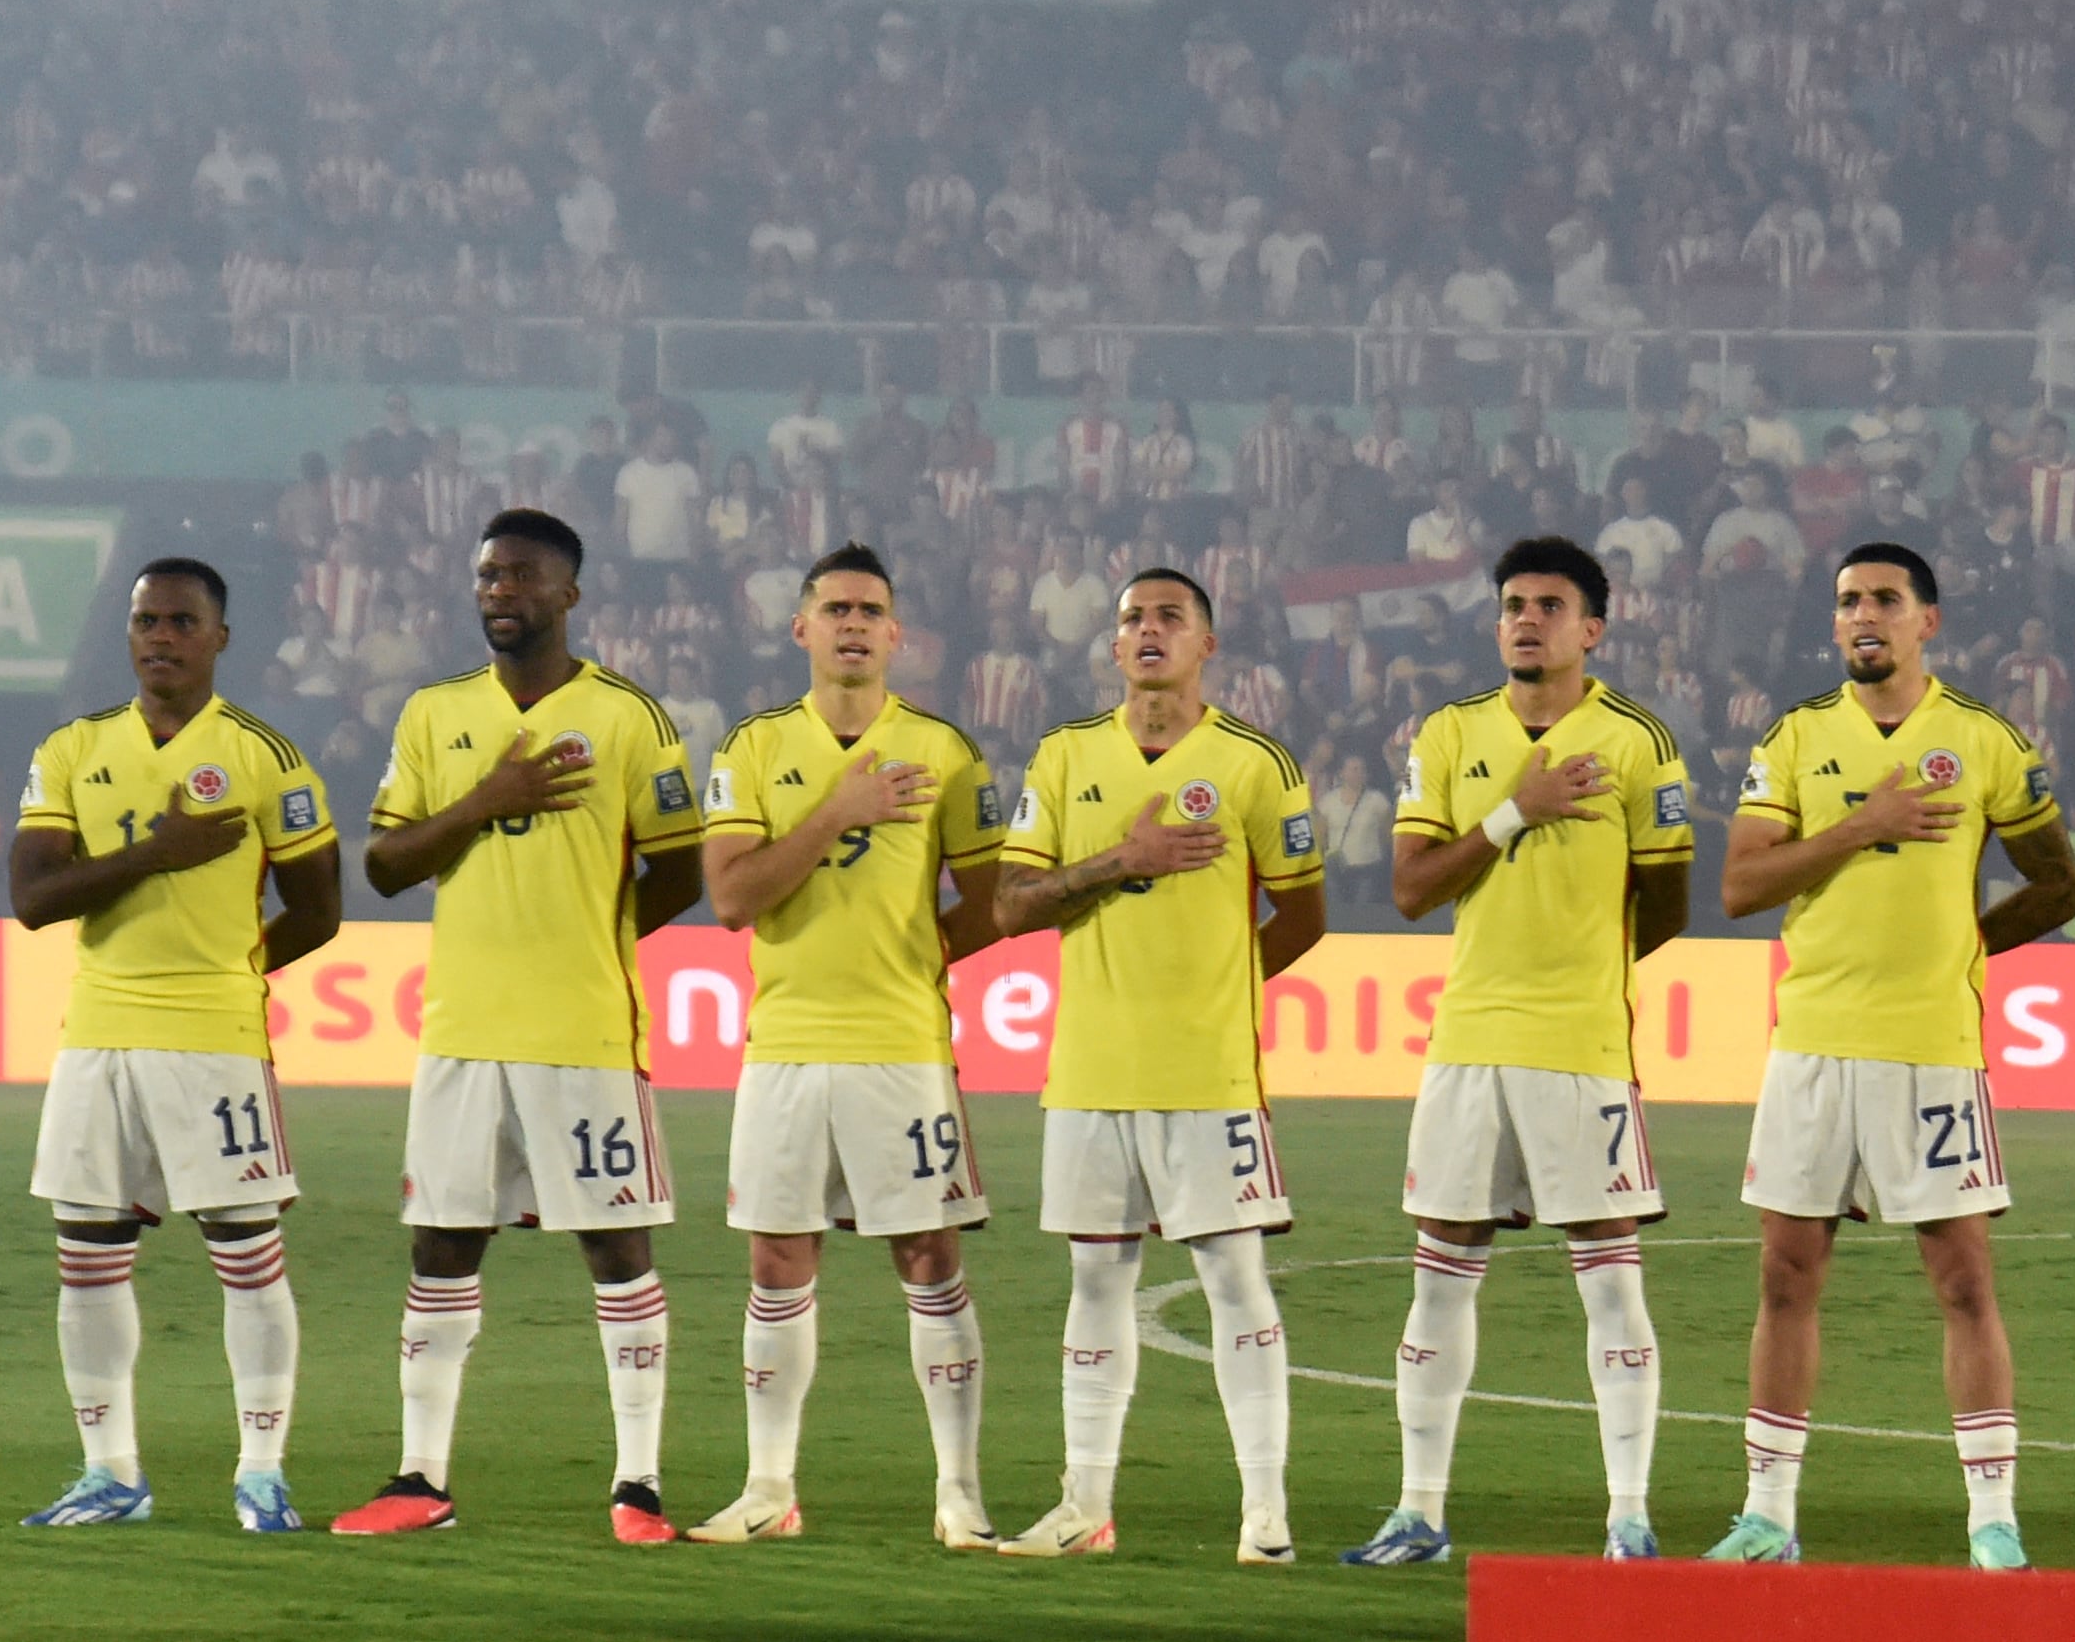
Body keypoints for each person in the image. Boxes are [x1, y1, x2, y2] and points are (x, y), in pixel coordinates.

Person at [1711, 541, 2075, 1565]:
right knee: (1785, 1276)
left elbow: (2059, 883)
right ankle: (1767, 1515)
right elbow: (1741, 886)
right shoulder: (1796, 738)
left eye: (1883, 597)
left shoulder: (1980, 739)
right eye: (1845, 601)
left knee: (1962, 1278)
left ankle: (1993, 1522)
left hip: (1929, 1046)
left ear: (1927, 619)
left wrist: (1966, 943)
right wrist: (1861, 825)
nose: (1861, 614)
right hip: (1813, 1043)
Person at [335, 509, 707, 1540]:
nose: (501, 590)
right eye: (489, 575)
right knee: (441, 1244)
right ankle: (419, 1477)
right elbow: (384, 862)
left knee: (616, 1246)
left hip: (582, 1027)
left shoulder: (629, 717)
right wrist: (485, 798)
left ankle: (637, 1485)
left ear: (569, 593)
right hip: (461, 1029)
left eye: (523, 576)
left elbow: (680, 858)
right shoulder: (433, 714)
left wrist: (596, 923)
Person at [1348, 537, 1696, 1566]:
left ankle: (1627, 1516)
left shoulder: (1638, 742)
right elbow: (1411, 889)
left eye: (1548, 603)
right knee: (1440, 1275)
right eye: (1511, 603)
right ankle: (1417, 1510)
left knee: (1609, 1280)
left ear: (1593, 625)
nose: (1525, 618)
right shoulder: (1451, 733)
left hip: (1578, 1043)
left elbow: (1667, 900)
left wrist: (1579, 961)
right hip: (1465, 1039)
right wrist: (1514, 812)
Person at [989, 571, 1328, 1562]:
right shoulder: (1063, 756)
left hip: (1206, 1073)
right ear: (1111, 645)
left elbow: (1301, 915)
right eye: (1132, 617)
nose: (1147, 630)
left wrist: (1225, 987)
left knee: (1234, 1277)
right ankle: (1083, 1504)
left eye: (1168, 617)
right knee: (1094, 1280)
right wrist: (1117, 862)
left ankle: (1263, 1510)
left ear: (1206, 644)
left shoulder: (1255, 763)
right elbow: (1010, 906)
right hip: (1089, 1070)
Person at [4, 560, 343, 1530]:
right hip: (97, 1034)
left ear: (219, 637)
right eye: (145, 619)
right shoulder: (74, 748)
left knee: (245, 1252)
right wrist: (153, 852)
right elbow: (31, 899)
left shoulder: (265, 755)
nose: (160, 635)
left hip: (213, 1042)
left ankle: (262, 1470)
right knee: (87, 1257)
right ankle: (110, 1471)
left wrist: (234, 971)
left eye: (181, 621)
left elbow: (319, 908)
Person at [693, 542, 1009, 1549]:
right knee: (778, 1257)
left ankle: (958, 1492)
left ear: (896, 630)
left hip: (902, 1047)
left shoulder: (947, 751)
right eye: (835, 607)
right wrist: (837, 808)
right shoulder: (750, 748)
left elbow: (993, 903)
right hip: (783, 1045)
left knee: (928, 1252)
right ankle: (767, 1487)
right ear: (801, 628)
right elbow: (733, 898)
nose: (854, 622)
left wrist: (915, 954)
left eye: (872, 607)